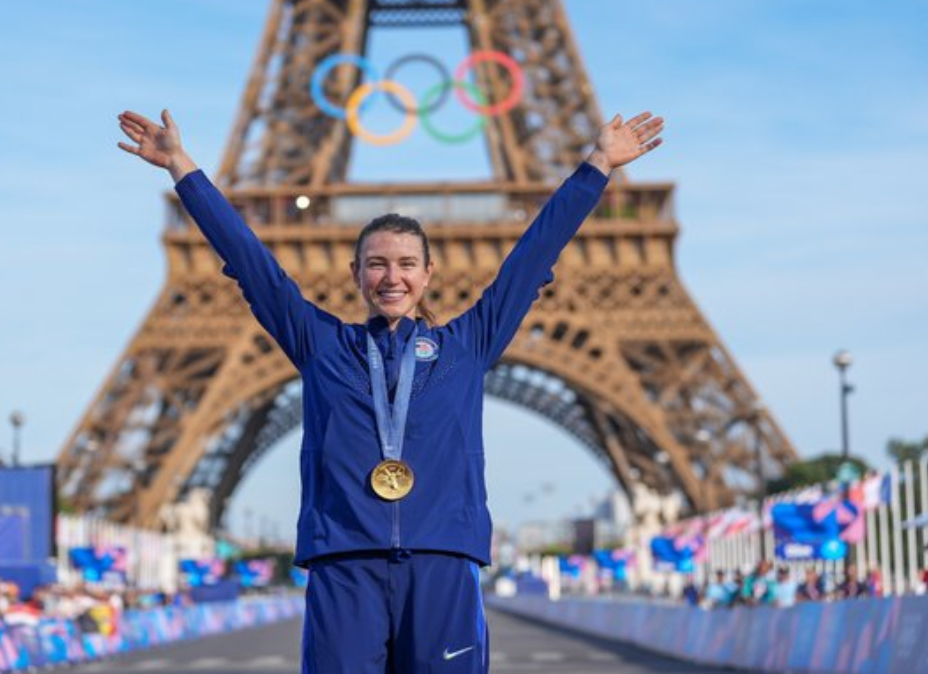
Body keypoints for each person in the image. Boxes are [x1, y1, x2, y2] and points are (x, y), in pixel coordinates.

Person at [117, 107, 664, 673]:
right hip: (345, 561)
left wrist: (597, 165)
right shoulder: (321, 345)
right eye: (376, 264)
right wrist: (182, 168)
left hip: (442, 559)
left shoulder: (467, 345)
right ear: (356, 273)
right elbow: (253, 266)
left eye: (406, 264)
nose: (392, 277)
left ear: (429, 273)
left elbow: (532, 258)